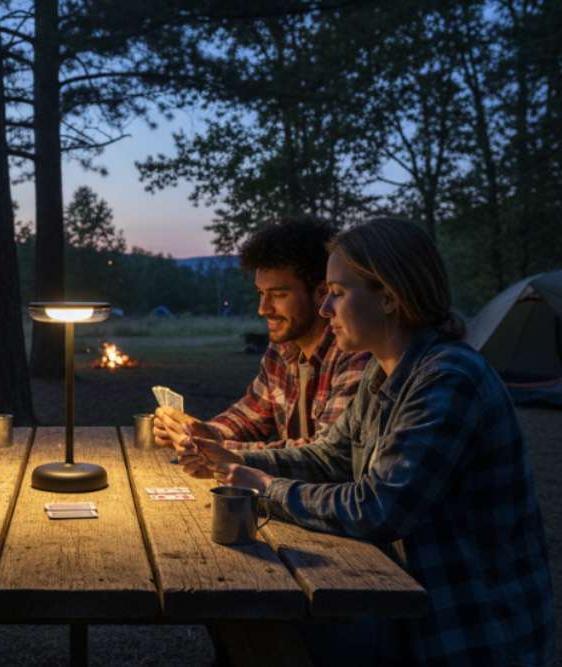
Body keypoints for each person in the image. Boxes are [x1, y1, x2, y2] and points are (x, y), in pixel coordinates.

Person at [180, 218, 554, 665]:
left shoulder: (448, 380)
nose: (324, 310)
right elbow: (331, 456)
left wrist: (262, 487)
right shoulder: (386, 371)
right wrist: (229, 459)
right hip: (403, 602)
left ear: (390, 298)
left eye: (336, 293)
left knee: (258, 617)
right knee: (245, 614)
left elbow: (380, 509)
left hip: (462, 632)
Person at [154, 219, 369, 452]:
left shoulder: (354, 352)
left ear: (321, 293)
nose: (263, 308)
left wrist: (221, 452)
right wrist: (203, 431)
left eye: (278, 295)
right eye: (261, 293)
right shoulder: (281, 350)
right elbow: (249, 415)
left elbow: (326, 455)